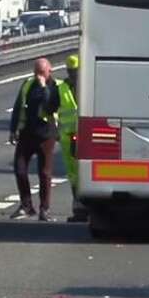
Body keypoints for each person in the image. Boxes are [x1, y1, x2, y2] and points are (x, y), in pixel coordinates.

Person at [9, 56, 65, 219]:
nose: (39, 76)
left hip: (46, 135)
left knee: (45, 173)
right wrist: (13, 129)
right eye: (36, 72)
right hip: (27, 134)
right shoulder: (27, 84)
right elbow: (18, 106)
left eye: (42, 72)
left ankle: (44, 209)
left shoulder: (55, 86)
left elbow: (50, 106)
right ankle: (26, 205)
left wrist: (43, 87)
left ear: (49, 71)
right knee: (20, 169)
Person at [60, 55, 86, 222]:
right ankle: (79, 209)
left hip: (79, 134)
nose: (72, 74)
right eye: (71, 71)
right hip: (70, 135)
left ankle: (82, 208)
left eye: (74, 71)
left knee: (80, 172)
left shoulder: (86, 82)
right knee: (74, 173)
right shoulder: (64, 87)